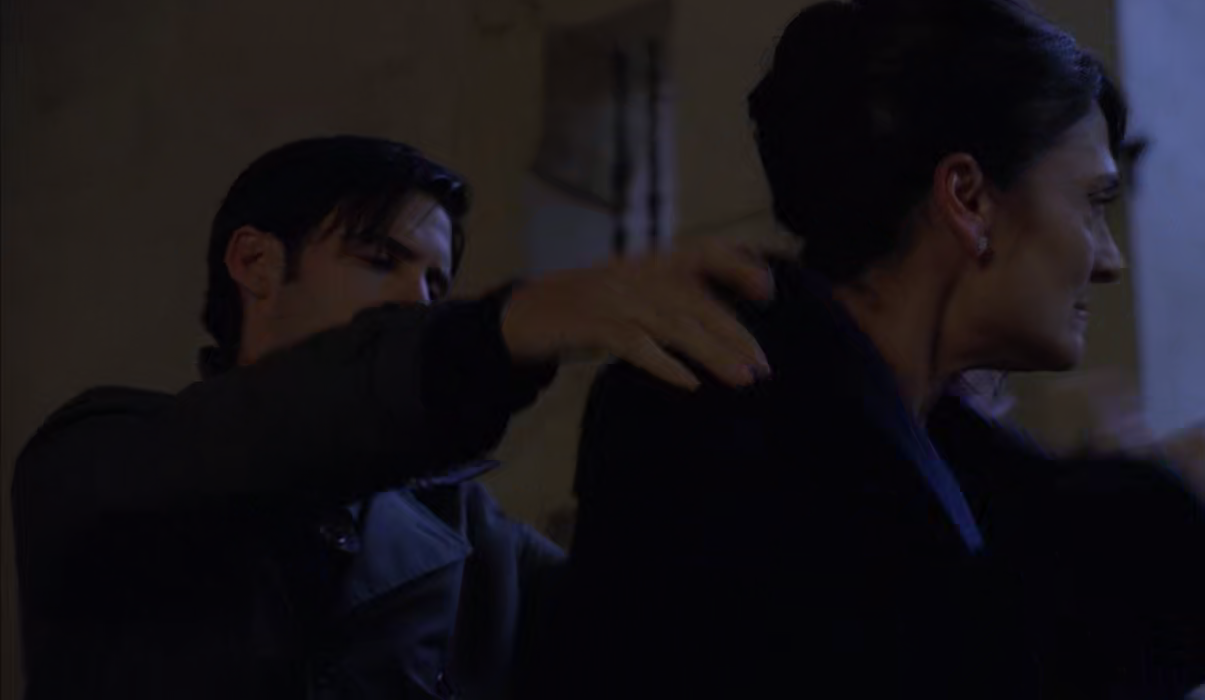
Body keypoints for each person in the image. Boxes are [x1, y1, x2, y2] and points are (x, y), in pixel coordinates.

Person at [532, 0, 1205, 699]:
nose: (1109, 259)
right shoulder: (712, 420)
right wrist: (1164, 538)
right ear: (969, 199)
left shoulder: (956, 473)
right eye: (1091, 203)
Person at [10, 135, 777, 700]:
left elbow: (655, 645)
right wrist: (491, 335)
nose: (418, 299)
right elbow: (268, 427)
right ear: (256, 263)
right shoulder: (102, 454)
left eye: (438, 285)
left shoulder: (477, 543)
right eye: (380, 259)